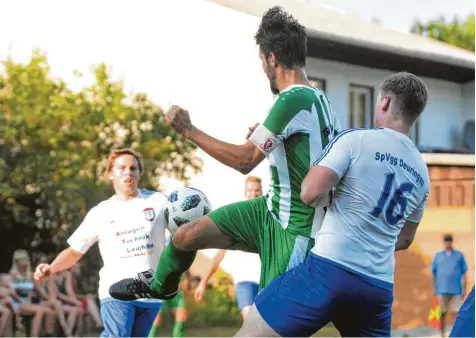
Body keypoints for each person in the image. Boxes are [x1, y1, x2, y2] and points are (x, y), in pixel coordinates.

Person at [110, 5, 341, 302]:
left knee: (265, 328)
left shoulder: (292, 99)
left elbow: (245, 161)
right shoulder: (319, 99)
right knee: (186, 236)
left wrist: (188, 129)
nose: (262, 68)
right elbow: (305, 148)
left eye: (262, 60)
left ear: (272, 59)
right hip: (267, 210)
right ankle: (159, 287)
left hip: (293, 230)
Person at [234, 72, 431, 337]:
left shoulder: (356, 140)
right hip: (378, 288)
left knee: (253, 329)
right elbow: (405, 239)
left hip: (330, 270)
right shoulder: (422, 172)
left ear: (384, 102)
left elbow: (309, 193)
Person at [34, 148, 169, 337]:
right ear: (110, 174)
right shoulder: (101, 212)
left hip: (151, 293)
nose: (128, 172)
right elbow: (74, 252)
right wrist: (51, 268)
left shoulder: (158, 201)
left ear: (139, 173)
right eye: (121, 168)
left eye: (133, 168)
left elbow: (181, 234)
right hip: (116, 291)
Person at [194, 176, 263, 319]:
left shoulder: (268, 218)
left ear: (261, 192)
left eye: (257, 190)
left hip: (267, 280)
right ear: (245, 192)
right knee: (250, 319)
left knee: (268, 328)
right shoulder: (237, 219)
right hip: (245, 281)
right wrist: (204, 282)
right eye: (250, 190)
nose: (254, 194)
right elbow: (220, 254)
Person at [431, 233, 468, 337]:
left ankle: (455, 334)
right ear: (444, 242)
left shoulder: (459, 255)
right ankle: (442, 335)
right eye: (446, 240)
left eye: (449, 240)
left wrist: (464, 289)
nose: (448, 242)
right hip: (441, 290)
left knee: (456, 314)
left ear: (452, 241)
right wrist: (434, 289)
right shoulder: (438, 256)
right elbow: (433, 273)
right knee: (442, 314)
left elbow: (464, 273)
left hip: (456, 290)